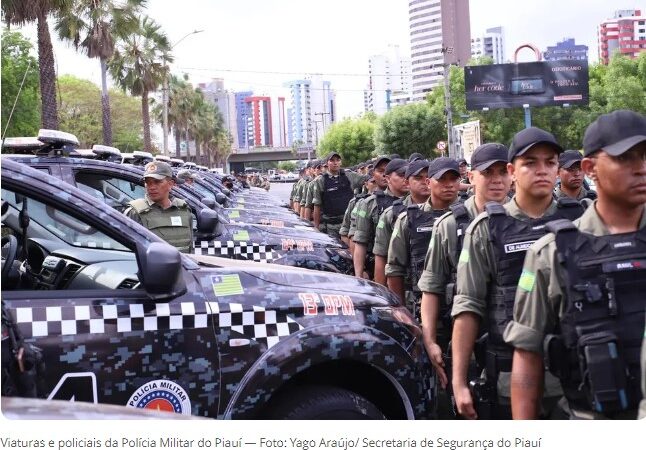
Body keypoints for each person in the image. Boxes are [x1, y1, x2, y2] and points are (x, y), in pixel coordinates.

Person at [504, 109, 646, 420]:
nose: (641, 168)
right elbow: (527, 358)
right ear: (590, 168)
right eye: (626, 158)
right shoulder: (550, 253)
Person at [451, 127, 584, 420]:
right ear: (513, 170)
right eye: (531, 163)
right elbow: (468, 306)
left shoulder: (580, 220)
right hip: (509, 380)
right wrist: (459, 381)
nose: (542, 170)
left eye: (550, 162)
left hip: (577, 380)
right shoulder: (485, 229)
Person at [418, 144, 511, 390]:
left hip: (515, 344)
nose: (496, 180)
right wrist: (429, 339)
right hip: (465, 346)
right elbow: (431, 287)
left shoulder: (524, 222)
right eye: (488, 173)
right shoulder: (449, 226)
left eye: (502, 172)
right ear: (471, 177)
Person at [386, 157, 460, 317]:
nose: (448, 184)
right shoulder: (408, 219)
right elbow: (394, 269)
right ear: (429, 182)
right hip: (419, 308)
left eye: (453, 179)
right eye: (441, 179)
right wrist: (401, 312)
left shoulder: (472, 216)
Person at [353, 158, 408, 280]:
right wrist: (359, 276)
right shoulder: (369, 203)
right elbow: (361, 242)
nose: (405, 179)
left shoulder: (416, 202)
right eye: (401, 175)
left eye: (407, 175)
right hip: (379, 267)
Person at [124, 161, 194, 253]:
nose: (151, 187)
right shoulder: (135, 212)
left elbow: (190, 248)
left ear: (171, 184)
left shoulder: (184, 209)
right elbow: (128, 253)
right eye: (148, 183)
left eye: (157, 182)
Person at [309, 152, 366, 238]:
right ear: (327, 163)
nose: (335, 163)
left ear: (341, 162)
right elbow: (317, 205)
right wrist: (316, 228)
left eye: (338, 160)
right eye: (332, 160)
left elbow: (367, 180)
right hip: (331, 226)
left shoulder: (349, 176)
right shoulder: (320, 180)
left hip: (349, 225)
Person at [340, 171, 377, 250]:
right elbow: (345, 231)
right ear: (366, 184)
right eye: (373, 182)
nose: (376, 185)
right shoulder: (356, 202)